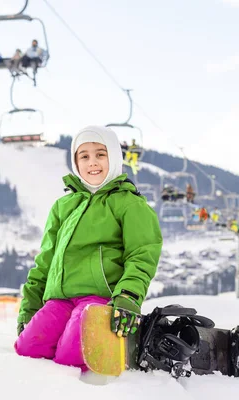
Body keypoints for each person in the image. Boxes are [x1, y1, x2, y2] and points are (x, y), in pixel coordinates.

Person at [14, 125, 163, 371]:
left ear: (114, 157)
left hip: (99, 300)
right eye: (84, 156)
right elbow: (45, 261)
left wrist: (128, 296)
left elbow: (142, 254)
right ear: (75, 162)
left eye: (100, 154)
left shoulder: (129, 204)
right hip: (59, 299)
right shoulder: (63, 206)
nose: (92, 162)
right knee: (27, 348)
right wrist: (29, 308)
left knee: (70, 356)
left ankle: (117, 348)